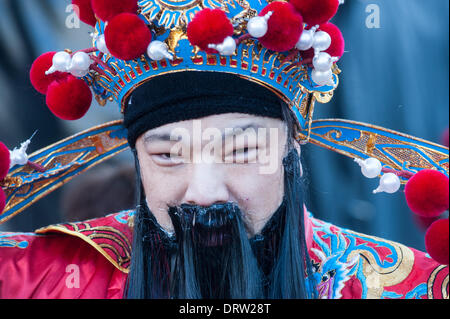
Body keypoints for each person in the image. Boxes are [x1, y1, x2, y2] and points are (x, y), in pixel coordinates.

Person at [0, 0, 448, 299]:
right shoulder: (39, 280)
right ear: (136, 160)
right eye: (168, 157)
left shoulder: (402, 287)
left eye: (243, 151)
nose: (205, 192)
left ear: (292, 151)